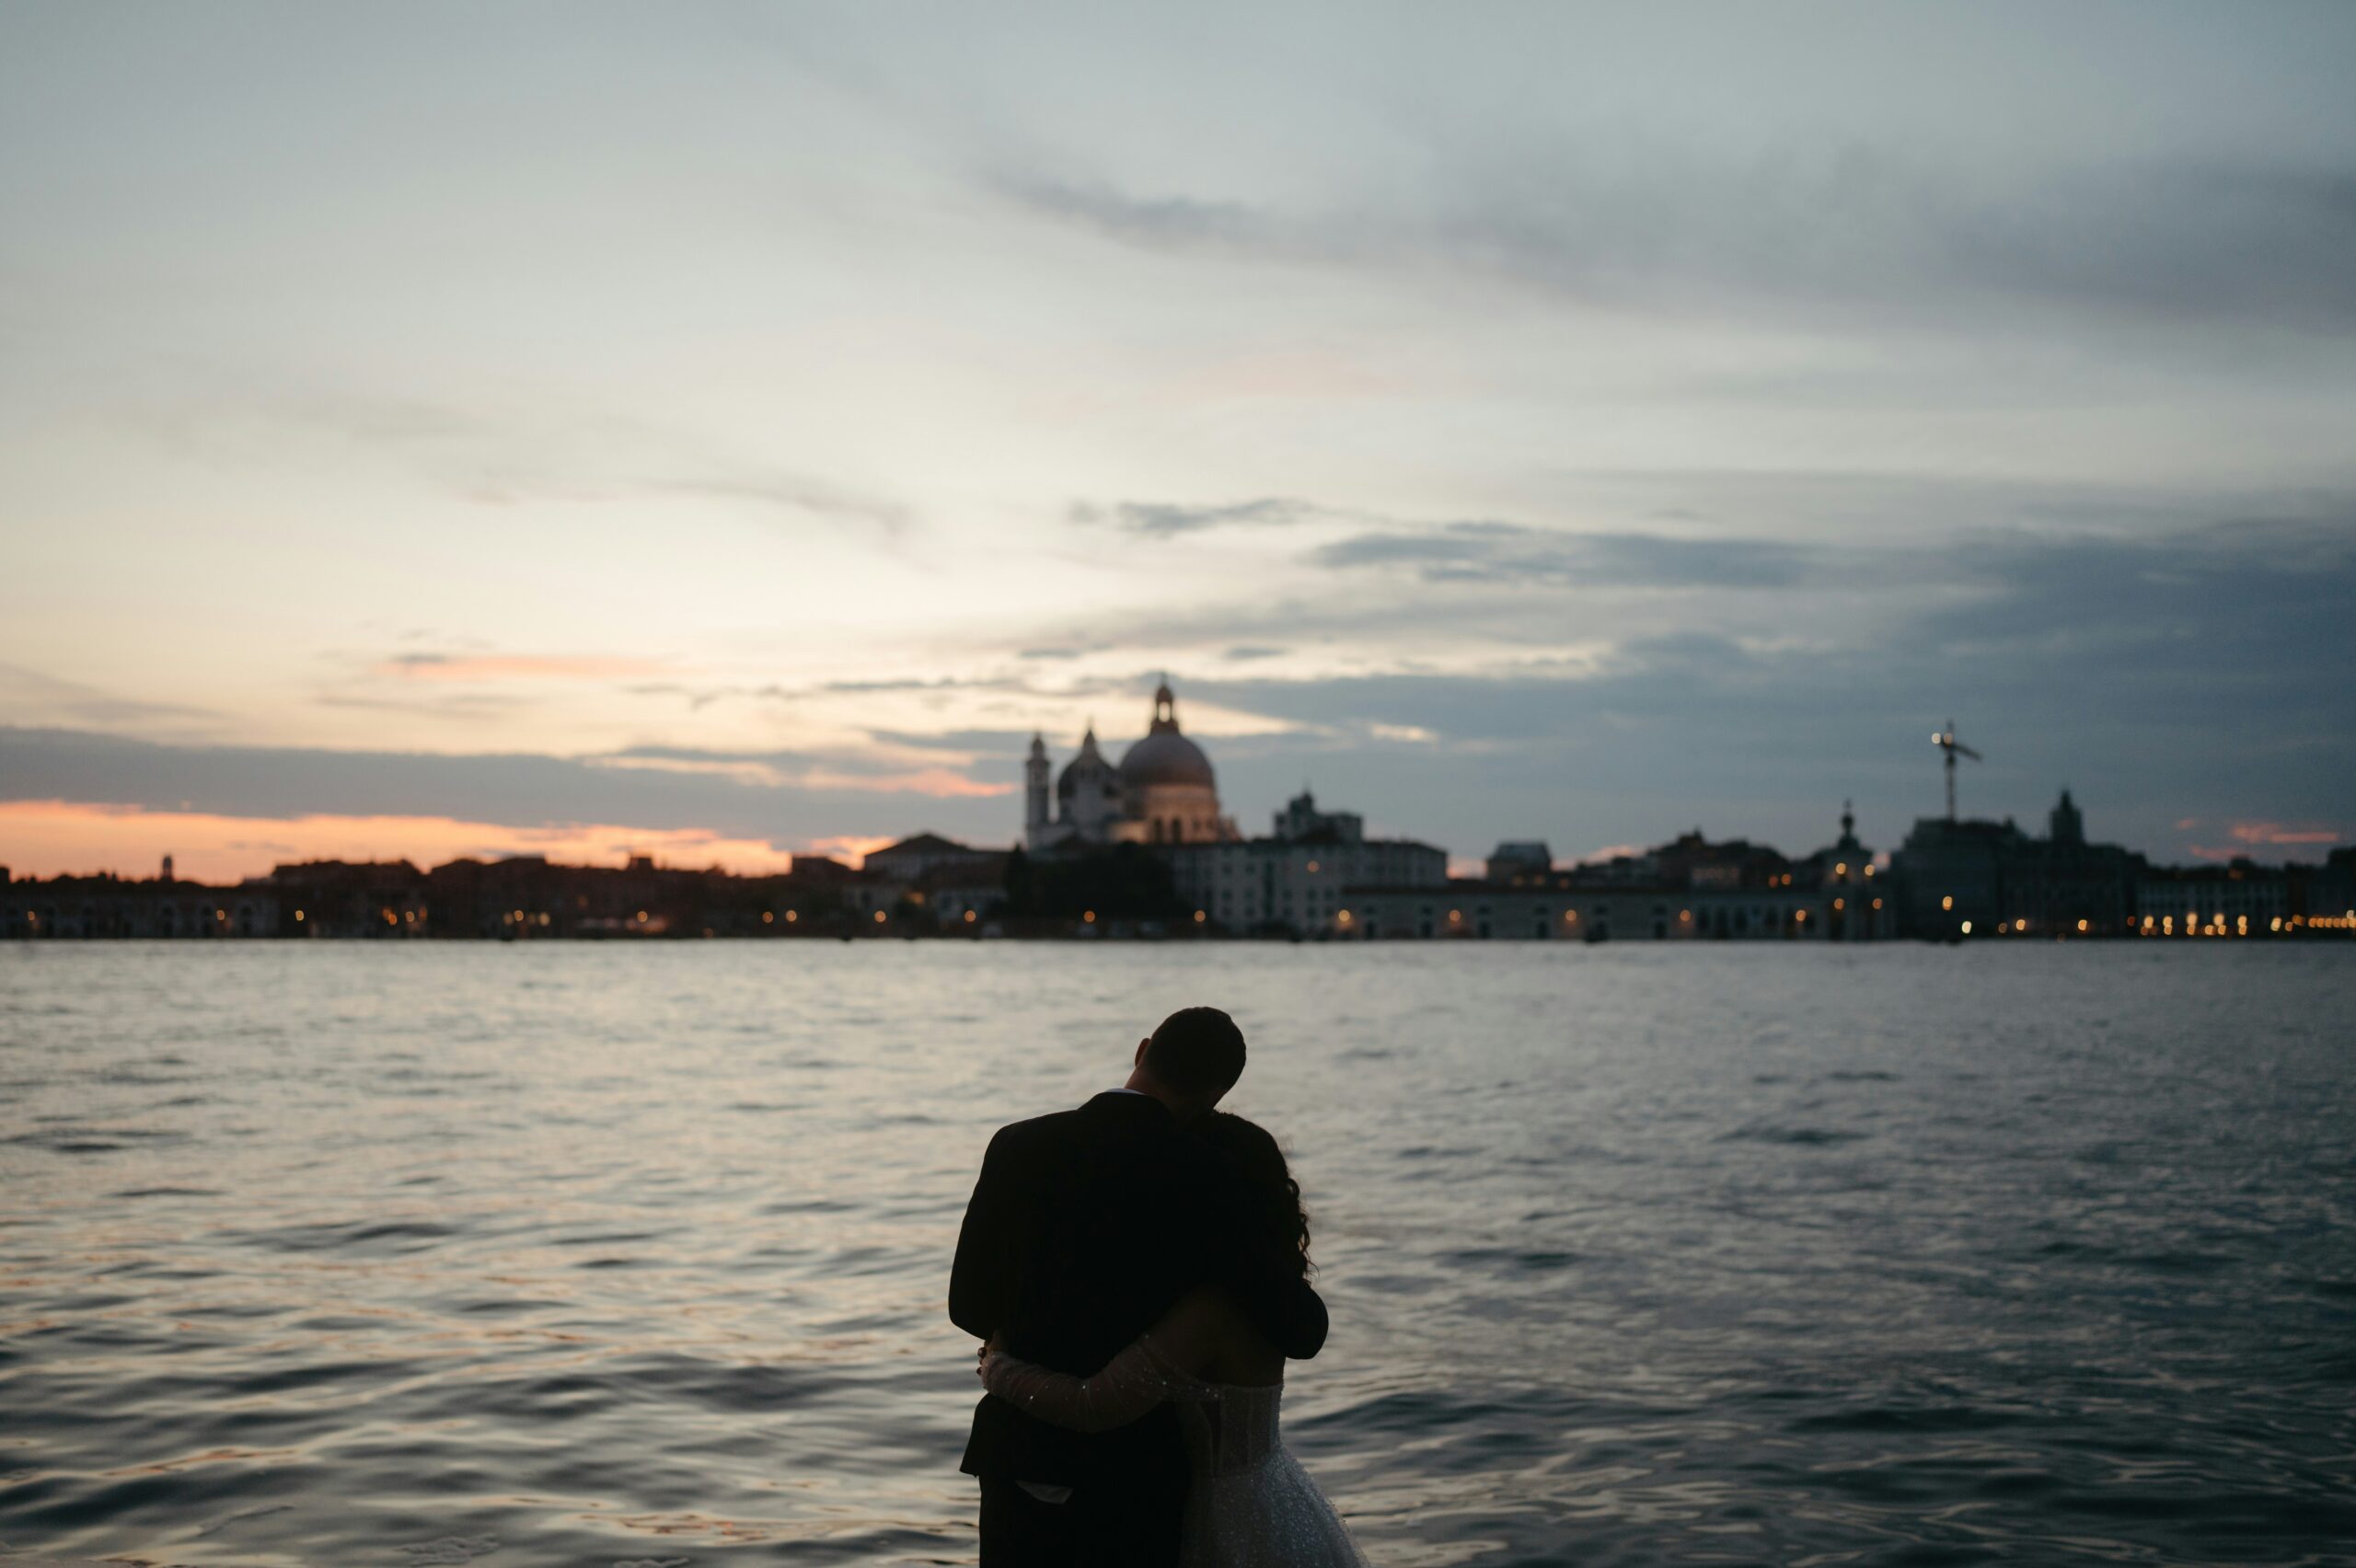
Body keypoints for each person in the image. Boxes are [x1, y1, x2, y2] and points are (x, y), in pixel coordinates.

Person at [951, 1008, 1330, 1566]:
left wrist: (1010, 1357)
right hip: (1132, 1473)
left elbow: (967, 1307)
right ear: (1215, 1096)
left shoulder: (1016, 1144)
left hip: (1017, 1456)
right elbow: (1298, 1327)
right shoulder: (1212, 1174)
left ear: (1142, 1048)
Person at [978, 1109, 1371, 1567]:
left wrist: (999, 1368)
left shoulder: (1213, 1309)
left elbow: (1094, 1405)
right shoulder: (1271, 1290)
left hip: (1228, 1520)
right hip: (1272, 1497)